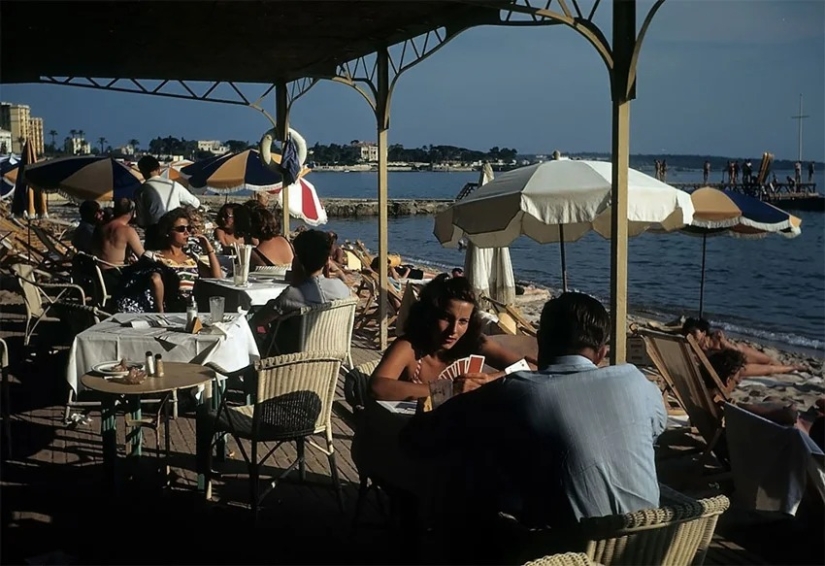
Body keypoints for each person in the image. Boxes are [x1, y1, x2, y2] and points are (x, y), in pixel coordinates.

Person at [400, 292, 666, 532]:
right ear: (601, 353)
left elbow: (416, 438)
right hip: (654, 543)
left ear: (540, 341)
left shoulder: (519, 393)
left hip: (568, 553)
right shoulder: (639, 383)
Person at [369, 274, 533, 402]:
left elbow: (530, 366)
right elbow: (377, 386)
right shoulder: (411, 347)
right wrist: (449, 389)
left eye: (463, 321)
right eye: (446, 318)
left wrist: (490, 379)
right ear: (429, 315)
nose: (453, 330)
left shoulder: (474, 343)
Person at [249, 229, 352, 352]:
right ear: (326, 261)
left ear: (297, 260)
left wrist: (295, 281)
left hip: (290, 360)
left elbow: (258, 320)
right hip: (331, 356)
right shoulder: (342, 289)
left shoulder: (293, 295)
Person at [116, 208, 221, 313]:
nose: (186, 233)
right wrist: (161, 312)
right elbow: (154, 281)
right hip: (164, 312)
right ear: (167, 232)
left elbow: (217, 278)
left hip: (189, 309)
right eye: (181, 229)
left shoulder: (192, 258)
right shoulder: (154, 257)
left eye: (188, 228)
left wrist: (208, 248)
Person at [682, 317, 805, 376]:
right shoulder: (693, 348)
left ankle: (789, 368)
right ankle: (792, 367)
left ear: (703, 333)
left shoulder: (716, 338)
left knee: (768, 361)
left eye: (694, 332)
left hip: (740, 353)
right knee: (769, 369)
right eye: (689, 333)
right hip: (735, 367)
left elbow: (735, 352)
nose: (692, 336)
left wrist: (724, 344)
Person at [134, 155, 201, 228]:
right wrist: (182, 212)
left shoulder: (141, 191)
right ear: (159, 169)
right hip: (176, 228)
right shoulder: (173, 185)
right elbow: (195, 203)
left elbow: (141, 222)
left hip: (156, 230)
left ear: (142, 171)